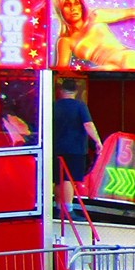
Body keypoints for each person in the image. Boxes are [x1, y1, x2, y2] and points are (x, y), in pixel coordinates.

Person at [51, 77, 103, 215]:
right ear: (75, 91)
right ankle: (68, 210)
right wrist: (97, 141)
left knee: (59, 179)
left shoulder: (54, 106)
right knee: (68, 178)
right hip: (75, 149)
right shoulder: (80, 106)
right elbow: (88, 124)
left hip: (55, 148)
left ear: (61, 90)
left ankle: (58, 208)